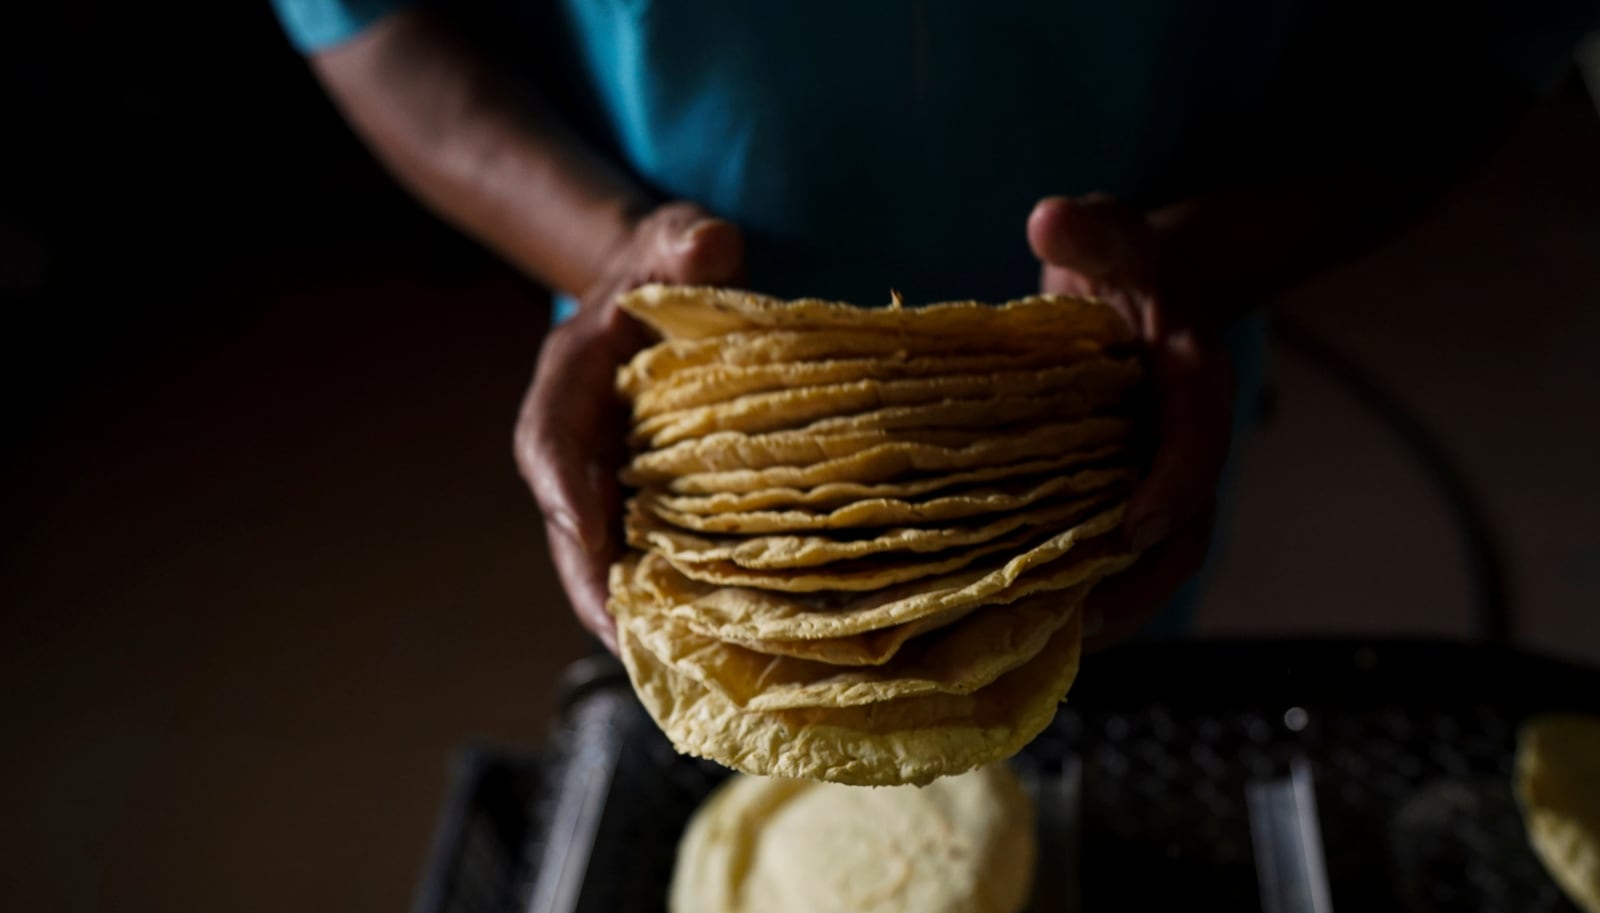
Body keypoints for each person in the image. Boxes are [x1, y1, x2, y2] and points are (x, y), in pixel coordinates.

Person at [274, 0, 1594, 653]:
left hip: (1117, 432)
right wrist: (611, 255)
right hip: (686, 447)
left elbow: (1486, 28)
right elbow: (366, 19)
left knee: (1084, 745)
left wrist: (1204, 260)